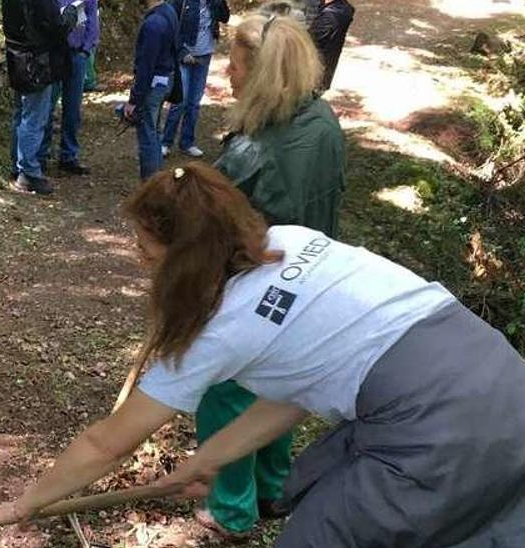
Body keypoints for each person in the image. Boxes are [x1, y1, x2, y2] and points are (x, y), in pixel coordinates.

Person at [0, 164, 525, 547]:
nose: (140, 260)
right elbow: (295, 388)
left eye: (145, 248)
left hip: (438, 429)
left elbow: (107, 444)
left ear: (182, 255)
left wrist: (30, 501)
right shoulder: (291, 242)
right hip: (505, 383)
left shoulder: (217, 328)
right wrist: (206, 460)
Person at [187, 13, 347, 537]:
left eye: (233, 65)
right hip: (311, 282)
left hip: (260, 286)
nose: (227, 76)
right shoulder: (320, 119)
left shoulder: (259, 149)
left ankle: (232, 509)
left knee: (225, 389)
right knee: (279, 386)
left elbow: (215, 228)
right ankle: (275, 488)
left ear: (258, 71)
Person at [3, 0, 75, 194]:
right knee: (34, 117)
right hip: (36, 60)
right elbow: (54, 26)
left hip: (18, 55)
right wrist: (70, 15)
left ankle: (18, 166)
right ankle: (28, 172)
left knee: (21, 114)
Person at [160, 0, 229, 159]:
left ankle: (187, 142)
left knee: (194, 103)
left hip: (204, 55)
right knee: (179, 101)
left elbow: (225, 18)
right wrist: (182, 52)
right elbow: (171, 27)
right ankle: (166, 142)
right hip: (184, 56)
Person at [40, 0, 99, 176]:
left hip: (77, 53)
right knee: (47, 106)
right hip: (54, 52)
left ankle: (68, 155)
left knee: (73, 108)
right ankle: (42, 155)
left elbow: (92, 20)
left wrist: (85, 50)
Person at [125, 0, 179, 180]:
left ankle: (151, 183)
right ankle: (158, 178)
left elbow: (146, 65)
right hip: (165, 80)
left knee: (148, 133)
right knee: (155, 131)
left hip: (154, 83)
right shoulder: (169, 12)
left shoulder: (153, 24)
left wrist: (134, 99)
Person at [309, 0, 354, 91]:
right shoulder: (342, 8)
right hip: (324, 70)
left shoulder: (330, 16)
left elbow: (307, 42)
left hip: (314, 74)